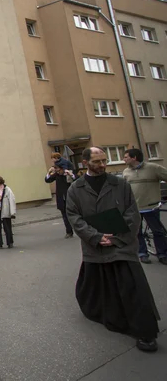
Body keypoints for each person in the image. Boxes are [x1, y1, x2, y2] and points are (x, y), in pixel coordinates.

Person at [66, 147, 160, 352]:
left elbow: (132, 214)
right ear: (85, 163)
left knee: (133, 288)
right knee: (92, 287)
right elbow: (74, 217)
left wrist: (116, 239)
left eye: (104, 161)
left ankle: (146, 332)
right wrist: (96, 237)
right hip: (95, 249)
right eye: (97, 161)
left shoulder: (120, 184)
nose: (102, 165)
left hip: (122, 247)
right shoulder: (76, 188)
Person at [123, 148, 167, 265]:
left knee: (158, 232)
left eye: (126, 157)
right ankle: (142, 253)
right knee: (137, 232)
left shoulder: (153, 168)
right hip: (134, 208)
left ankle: (162, 254)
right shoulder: (126, 172)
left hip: (151, 207)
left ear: (134, 158)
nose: (124, 159)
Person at [45, 163, 76, 238]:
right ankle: (69, 231)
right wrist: (49, 172)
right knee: (65, 216)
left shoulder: (67, 174)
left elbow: (76, 179)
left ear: (62, 168)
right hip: (61, 199)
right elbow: (47, 180)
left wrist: (71, 175)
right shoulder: (57, 175)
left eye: (58, 169)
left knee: (75, 215)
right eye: (56, 169)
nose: (57, 170)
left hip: (71, 199)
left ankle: (80, 229)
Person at [0, 175, 17, 249]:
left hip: (5, 210)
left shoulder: (7, 189)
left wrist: (12, 212)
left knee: (7, 227)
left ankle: (10, 242)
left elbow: (12, 200)